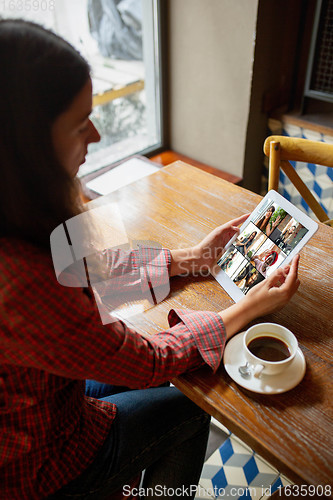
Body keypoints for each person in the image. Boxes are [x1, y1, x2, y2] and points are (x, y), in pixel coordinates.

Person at [0, 19, 300, 500]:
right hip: (41, 467)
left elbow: (82, 270)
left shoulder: (17, 211)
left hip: (51, 398)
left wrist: (191, 258)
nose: (96, 135)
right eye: (80, 125)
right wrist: (249, 309)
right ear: (26, 148)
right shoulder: (20, 282)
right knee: (199, 400)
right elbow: (149, 362)